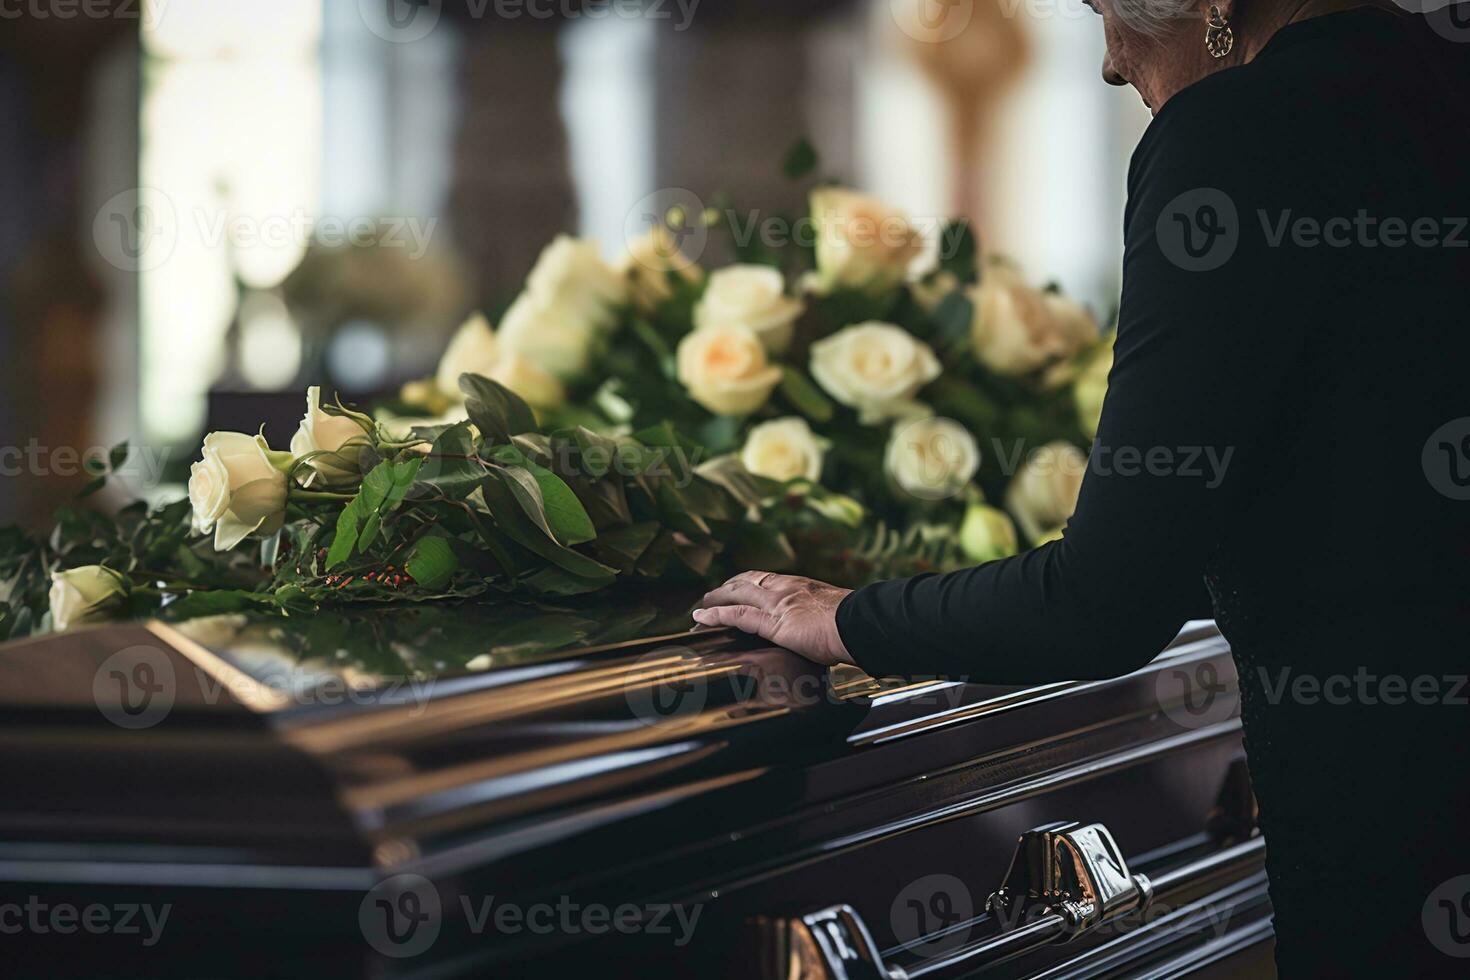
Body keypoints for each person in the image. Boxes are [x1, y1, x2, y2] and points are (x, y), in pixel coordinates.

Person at [694, 2, 1470, 974]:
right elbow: (1356, 498)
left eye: (1113, 12)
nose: (1108, 61)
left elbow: (1108, 602)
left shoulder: (1237, 132)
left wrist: (852, 619)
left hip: (1402, 817)